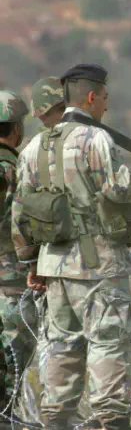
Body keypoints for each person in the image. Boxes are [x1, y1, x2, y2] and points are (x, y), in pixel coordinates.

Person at [11, 64, 131, 430]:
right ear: (92, 97)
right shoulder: (94, 140)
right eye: (105, 99)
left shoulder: (33, 147)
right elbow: (118, 189)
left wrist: (32, 263)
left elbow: (22, 212)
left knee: (62, 346)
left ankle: (56, 419)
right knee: (108, 343)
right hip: (98, 266)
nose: (106, 108)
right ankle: (112, 419)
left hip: (55, 267)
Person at [0, 91, 38, 424]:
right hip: (10, 283)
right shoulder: (16, 169)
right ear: (15, 128)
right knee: (11, 373)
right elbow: (25, 225)